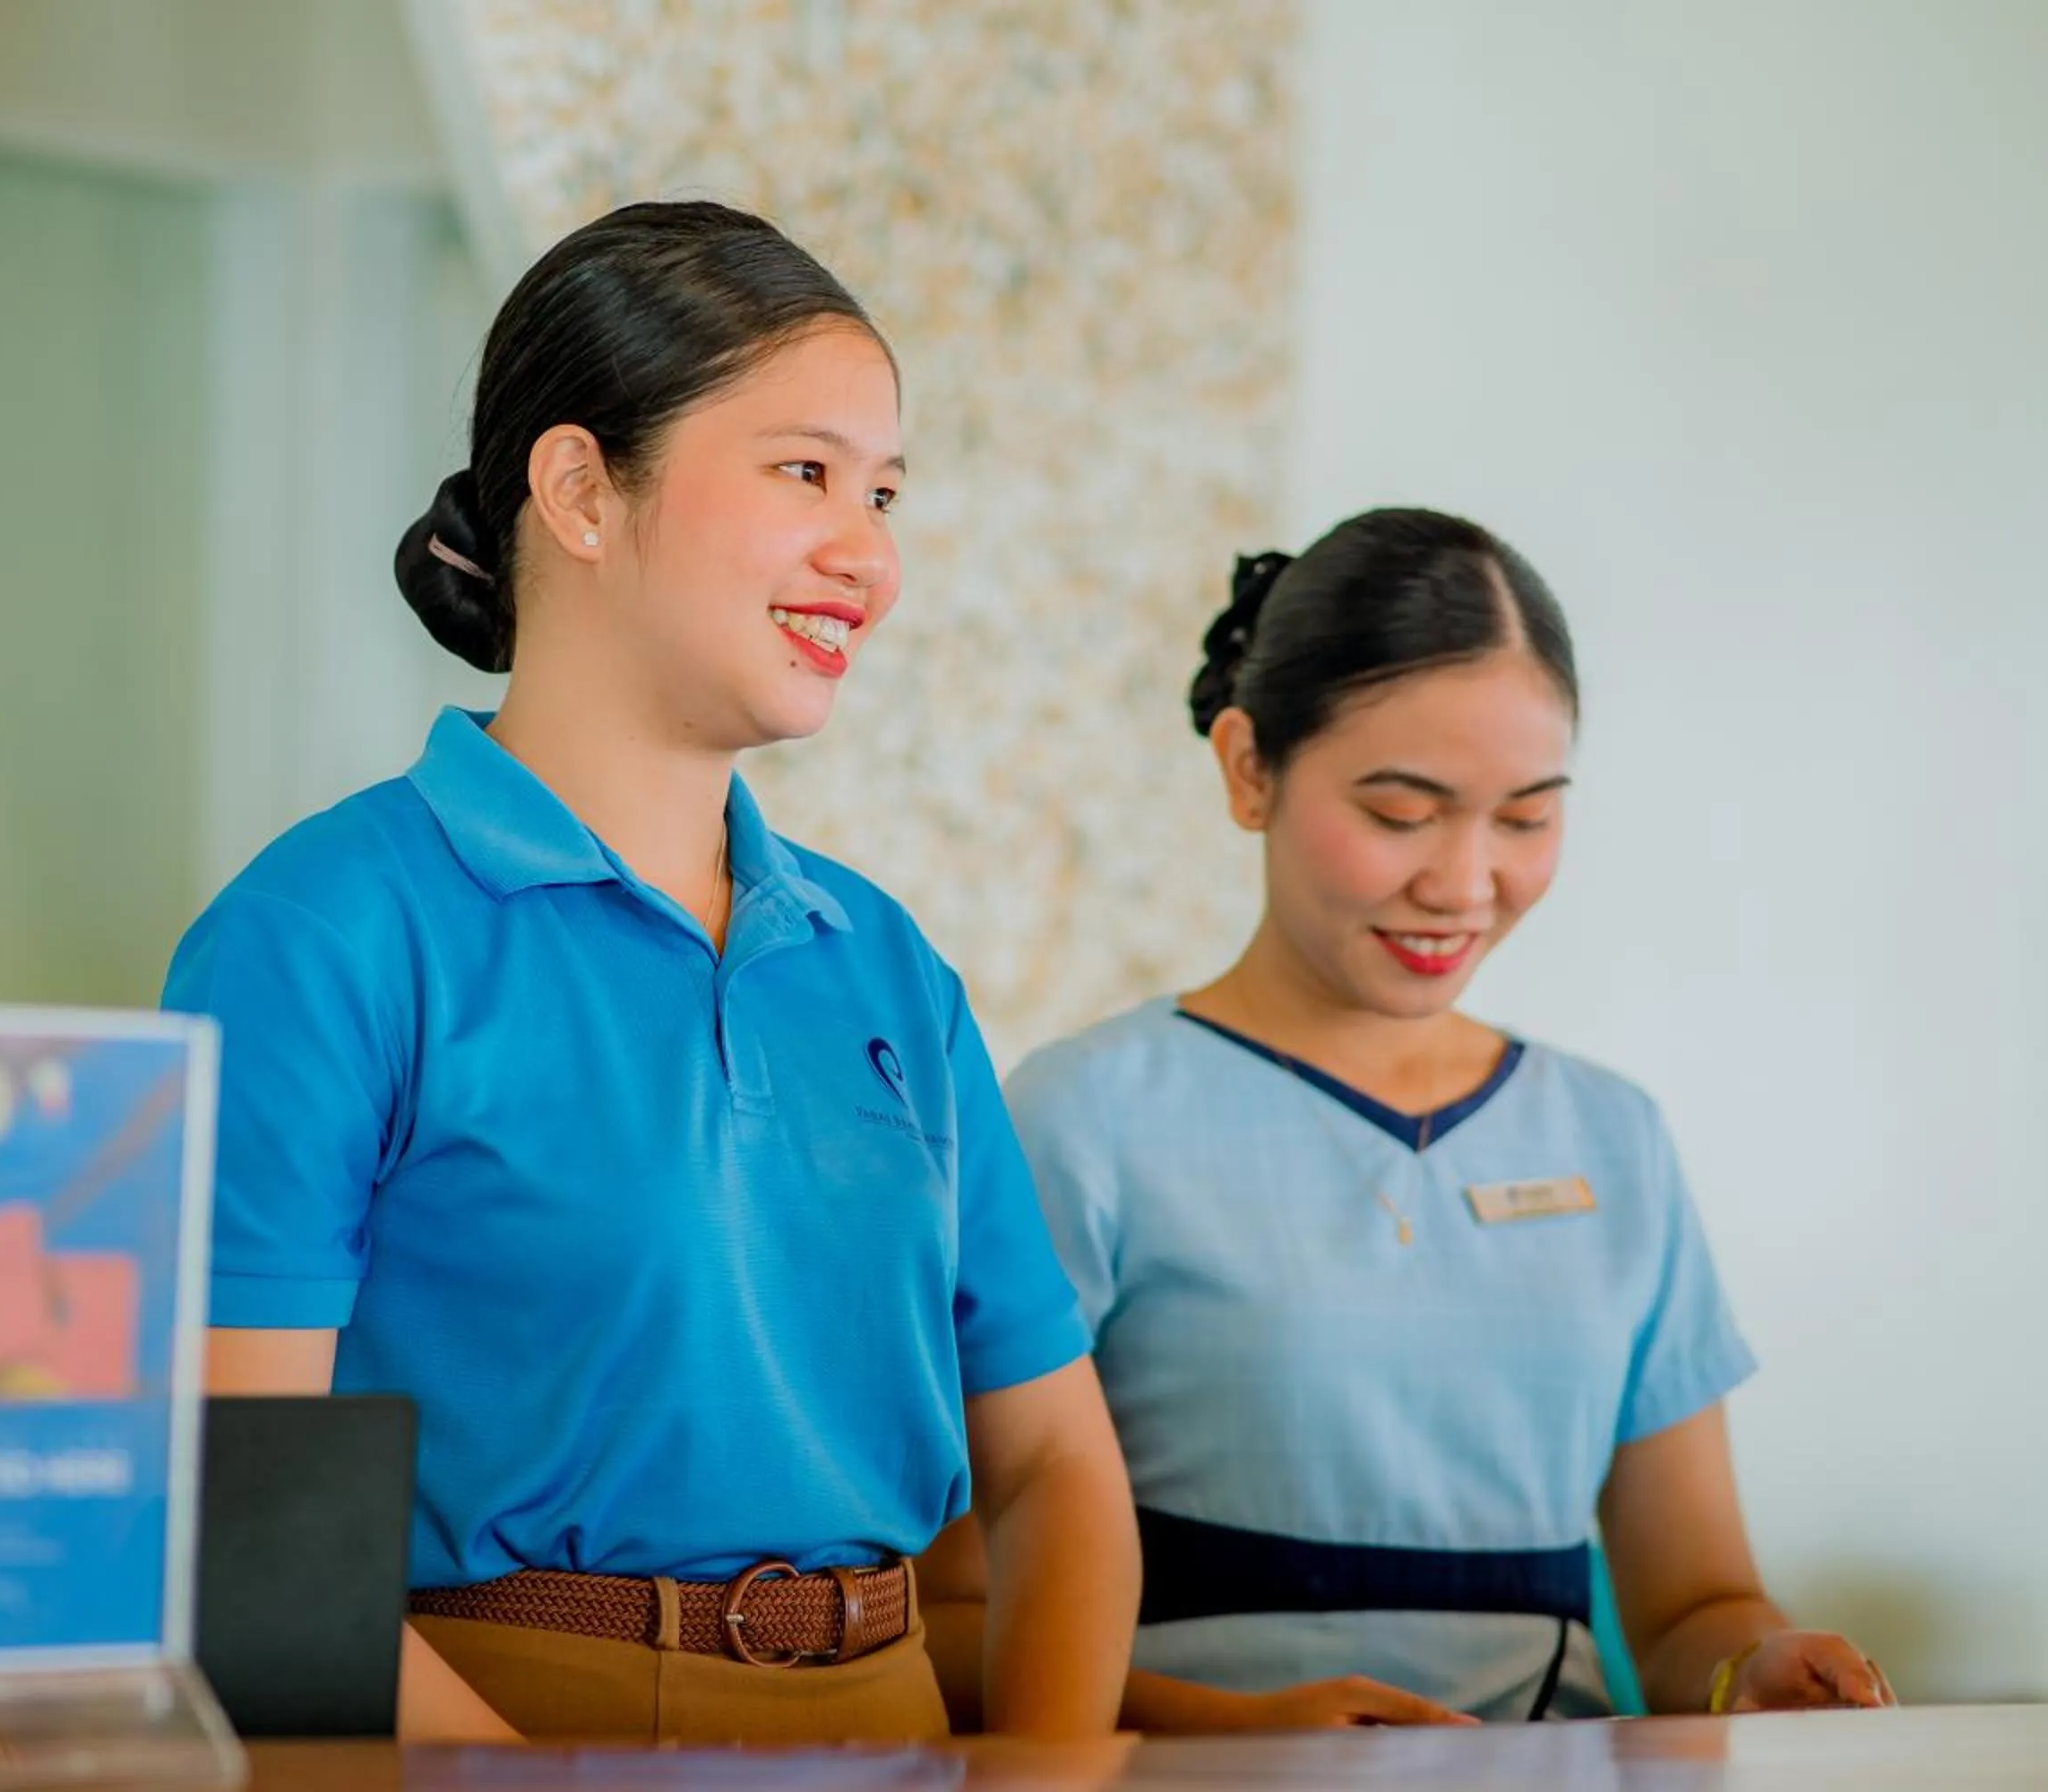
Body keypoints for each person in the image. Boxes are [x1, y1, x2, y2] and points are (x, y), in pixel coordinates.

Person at [161, 201, 1137, 1745]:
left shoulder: (881, 963)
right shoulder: (322, 935)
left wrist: (1052, 1769)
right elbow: (230, 1497)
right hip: (489, 1729)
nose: (867, 558)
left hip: (895, 1723)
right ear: (580, 491)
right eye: (805, 473)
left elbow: (1058, 1470)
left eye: (885, 494)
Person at [935, 507, 1891, 1727]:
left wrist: (1743, 1669)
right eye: (1400, 813)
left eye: (1528, 817)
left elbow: (1689, 1607)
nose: (1463, 882)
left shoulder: (1612, 1139)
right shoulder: (1087, 1116)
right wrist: (1229, 1730)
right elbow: (949, 1621)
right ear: (1247, 768)